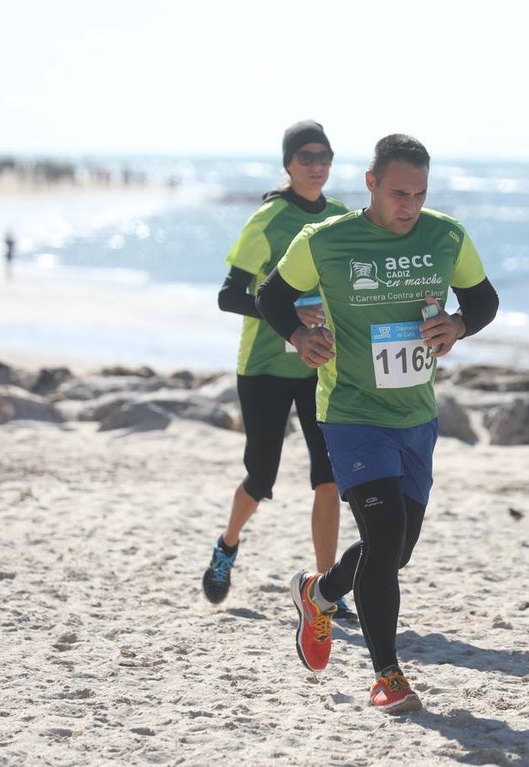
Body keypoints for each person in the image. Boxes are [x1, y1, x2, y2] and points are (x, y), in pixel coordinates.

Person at [256, 134, 499, 715]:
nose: (409, 205)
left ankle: (319, 594)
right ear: (370, 184)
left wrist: (458, 327)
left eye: (418, 193)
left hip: (416, 416)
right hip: (351, 413)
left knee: (397, 549)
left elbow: (485, 300)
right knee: (386, 539)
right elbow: (271, 296)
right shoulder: (326, 241)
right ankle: (387, 675)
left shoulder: (447, 236)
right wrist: (299, 335)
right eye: (397, 193)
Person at [200, 120, 356, 621]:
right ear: (287, 164)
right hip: (265, 365)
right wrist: (292, 316)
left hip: (320, 366)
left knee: (329, 476)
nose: (316, 165)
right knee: (261, 475)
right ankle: (227, 544)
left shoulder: (340, 218)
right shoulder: (268, 219)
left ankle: (327, 588)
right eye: (306, 157)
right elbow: (229, 296)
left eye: (324, 156)